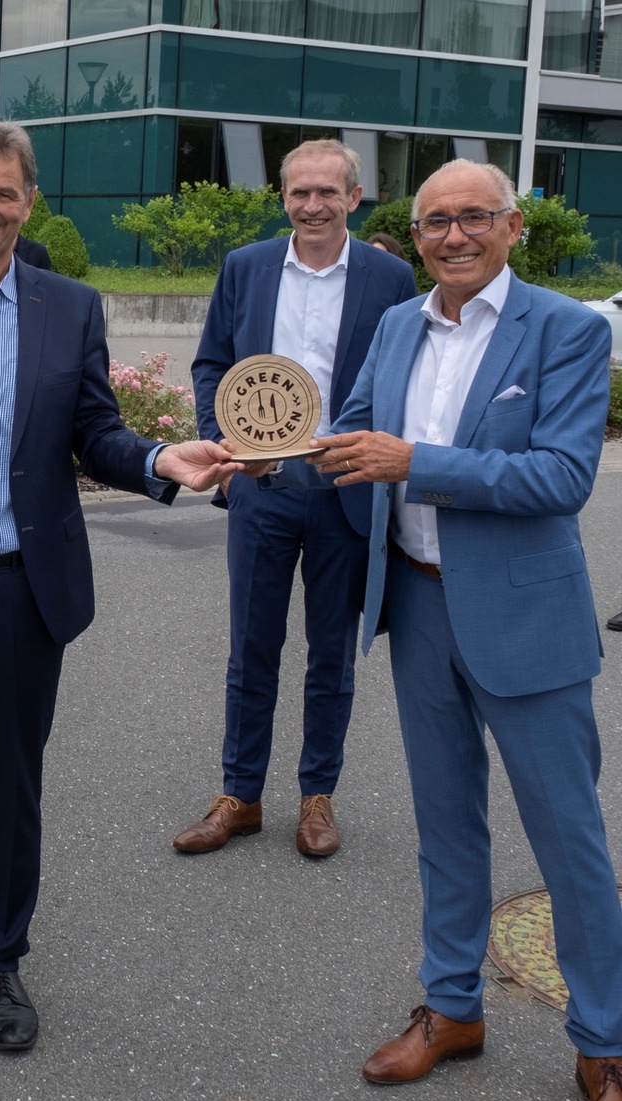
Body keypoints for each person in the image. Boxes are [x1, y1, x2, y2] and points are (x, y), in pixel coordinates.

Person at [0, 118, 251, 1053]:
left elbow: (93, 434)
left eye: (5, 193)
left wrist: (159, 459)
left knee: (10, 785)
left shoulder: (71, 305)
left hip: (24, 591)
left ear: (31, 202)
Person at [312, 160, 622, 1101]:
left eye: (472, 218)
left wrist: (418, 464)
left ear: (511, 226)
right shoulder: (402, 323)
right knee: (446, 824)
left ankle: (606, 1049)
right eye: (435, 221)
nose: (452, 235)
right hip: (416, 600)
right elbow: (357, 424)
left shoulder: (569, 330)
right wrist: (276, 445)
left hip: (525, 620)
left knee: (569, 842)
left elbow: (564, 476)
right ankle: (453, 1008)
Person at [172, 139, 415, 859]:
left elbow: (405, 373)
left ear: (354, 196)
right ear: (282, 198)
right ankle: (240, 796)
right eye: (299, 193)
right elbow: (213, 362)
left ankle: (317, 797)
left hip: (344, 487)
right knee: (251, 648)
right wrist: (224, 442)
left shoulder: (390, 276)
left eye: (327, 193)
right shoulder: (246, 268)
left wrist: (380, 451)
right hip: (262, 487)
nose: (313, 205)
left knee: (331, 655)